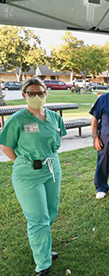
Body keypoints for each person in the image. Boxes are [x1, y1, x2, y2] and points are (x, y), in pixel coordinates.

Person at [0, 78, 67, 276]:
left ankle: (43, 248)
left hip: (52, 168)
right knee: (38, 218)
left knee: (51, 212)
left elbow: (57, 137)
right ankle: (42, 264)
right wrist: (26, 163)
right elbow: (6, 147)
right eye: (32, 93)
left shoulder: (54, 117)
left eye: (40, 93)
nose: (37, 97)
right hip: (28, 174)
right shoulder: (18, 119)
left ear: (46, 93)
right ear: (24, 95)